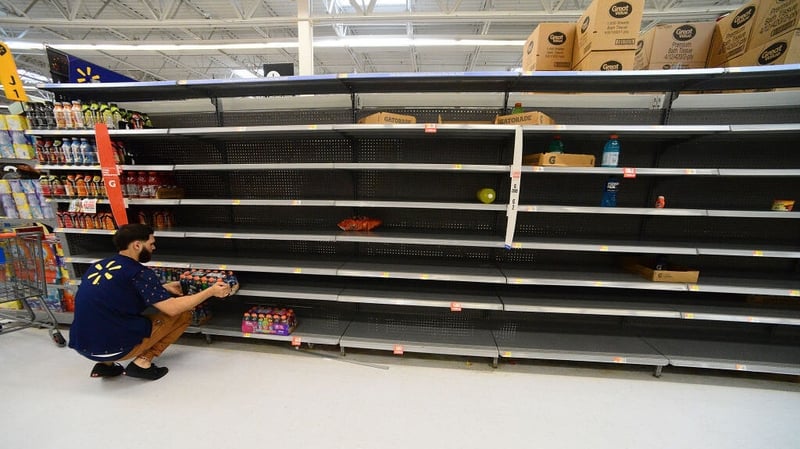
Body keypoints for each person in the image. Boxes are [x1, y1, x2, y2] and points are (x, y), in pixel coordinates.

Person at [68, 223, 232, 380]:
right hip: (115, 347)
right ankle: (142, 362)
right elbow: (172, 309)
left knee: (106, 318)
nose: (154, 247)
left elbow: (116, 294)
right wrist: (210, 291)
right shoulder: (139, 272)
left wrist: (163, 288)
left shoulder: (98, 266)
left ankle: (105, 366)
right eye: (151, 243)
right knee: (184, 313)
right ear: (137, 245)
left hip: (84, 345)